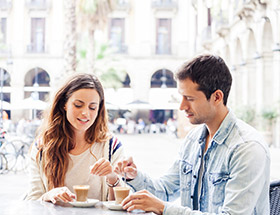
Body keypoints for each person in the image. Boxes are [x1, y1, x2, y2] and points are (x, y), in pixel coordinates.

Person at [114, 55, 270, 214]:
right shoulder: (194, 140)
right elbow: (165, 191)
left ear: (217, 97)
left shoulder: (247, 149)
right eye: (181, 97)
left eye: (189, 98)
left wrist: (163, 209)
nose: (182, 106)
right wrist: (134, 177)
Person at [26, 73, 125, 203]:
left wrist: (112, 177)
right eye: (78, 105)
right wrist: (48, 196)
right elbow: (32, 201)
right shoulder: (42, 146)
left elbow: (119, 205)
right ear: (64, 104)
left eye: (92, 107)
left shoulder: (112, 146)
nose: (85, 113)